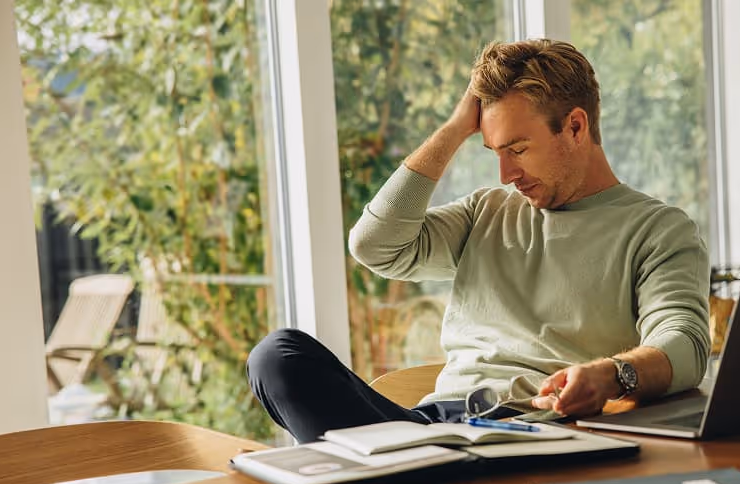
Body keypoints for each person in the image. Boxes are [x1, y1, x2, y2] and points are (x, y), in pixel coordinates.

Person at [248, 39, 710, 443]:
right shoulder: (485, 211)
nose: (506, 175)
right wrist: (452, 131)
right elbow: (375, 245)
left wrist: (612, 375)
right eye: (494, 152)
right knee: (277, 357)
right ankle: (398, 481)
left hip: (540, 433)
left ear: (574, 126)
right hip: (434, 429)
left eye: (518, 149)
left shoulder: (657, 229)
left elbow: (685, 344)